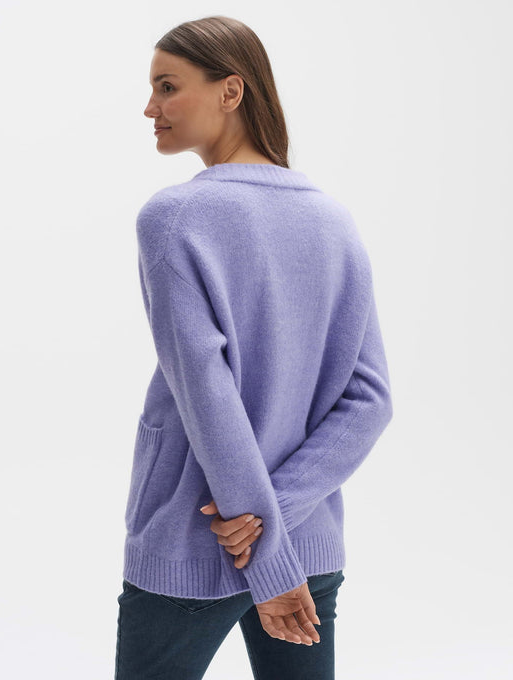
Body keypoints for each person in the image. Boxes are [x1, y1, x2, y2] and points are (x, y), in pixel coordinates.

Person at [114, 15, 393, 680]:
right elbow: (370, 401)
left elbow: (207, 395)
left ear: (230, 91)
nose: (149, 107)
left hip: (195, 541)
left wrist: (259, 537)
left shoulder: (174, 217)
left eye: (167, 86)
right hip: (305, 541)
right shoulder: (332, 220)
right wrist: (280, 516)